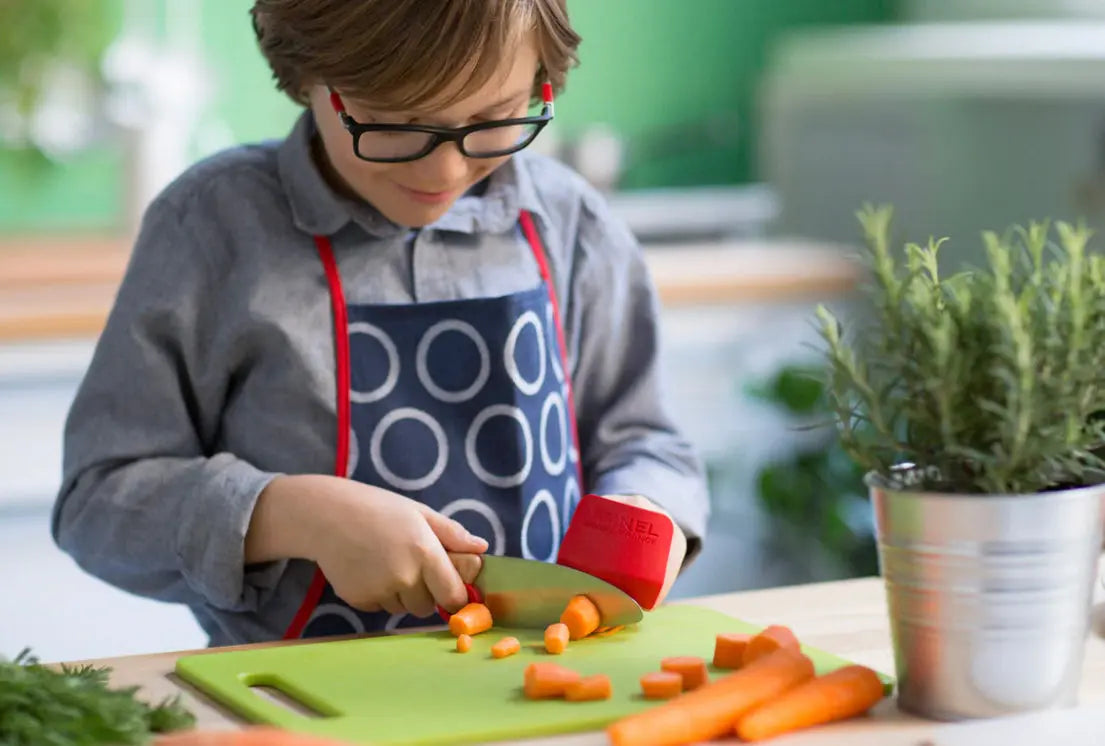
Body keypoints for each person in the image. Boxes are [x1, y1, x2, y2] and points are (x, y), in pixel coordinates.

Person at [51, 0, 710, 646]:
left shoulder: (570, 225)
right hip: (290, 703)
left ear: (542, 80)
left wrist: (648, 514)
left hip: (541, 681)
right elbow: (98, 504)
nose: (443, 169)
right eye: (397, 123)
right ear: (307, 74)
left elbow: (646, 444)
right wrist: (289, 515)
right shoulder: (213, 229)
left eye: (494, 118)